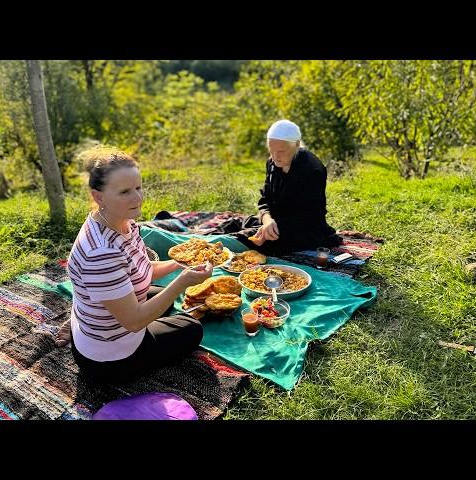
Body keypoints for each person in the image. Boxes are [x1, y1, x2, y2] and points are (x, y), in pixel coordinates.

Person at [55, 146, 213, 383]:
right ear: (99, 197)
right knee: (192, 327)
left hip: (106, 320)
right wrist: (181, 282)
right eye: (125, 192)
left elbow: (140, 269)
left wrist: (178, 264)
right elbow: (133, 321)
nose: (137, 198)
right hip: (107, 358)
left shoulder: (120, 221)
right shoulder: (101, 253)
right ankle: (88, 333)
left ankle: (85, 320)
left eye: (138, 188)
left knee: (166, 298)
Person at [234, 119, 341, 256]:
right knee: (238, 224)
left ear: (296, 144)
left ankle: (223, 246)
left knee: (248, 239)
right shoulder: (272, 163)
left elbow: (309, 215)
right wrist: (267, 219)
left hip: (303, 228)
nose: (275, 156)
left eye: (281, 151)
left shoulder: (313, 170)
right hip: (274, 221)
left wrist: (273, 227)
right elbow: (265, 199)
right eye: (271, 150)